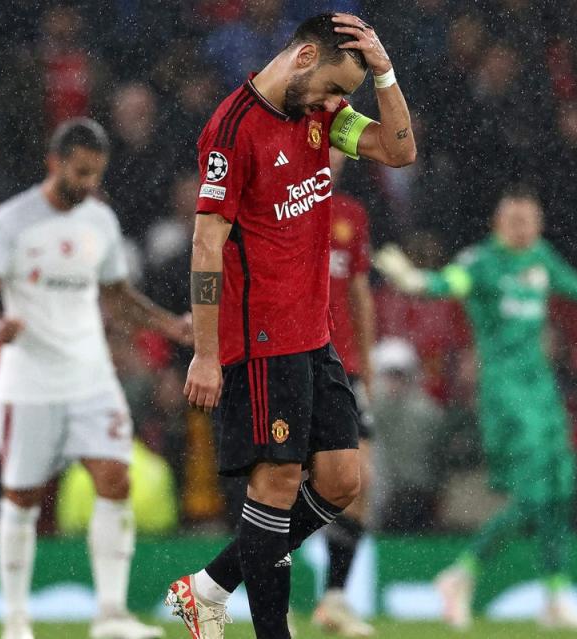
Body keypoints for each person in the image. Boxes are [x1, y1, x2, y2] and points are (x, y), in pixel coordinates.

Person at [164, 13, 415, 639]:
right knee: (275, 482)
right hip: (261, 338)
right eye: (334, 87)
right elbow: (205, 243)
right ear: (303, 57)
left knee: (341, 481)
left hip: (316, 335)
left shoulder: (322, 116)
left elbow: (400, 149)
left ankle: (209, 588)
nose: (336, 105)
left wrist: (383, 72)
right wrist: (205, 349)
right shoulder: (231, 130)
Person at [373, 185, 577, 632]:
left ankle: (554, 597)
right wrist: (417, 282)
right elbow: (451, 283)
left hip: (541, 389)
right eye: (514, 221)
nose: (523, 229)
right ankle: (462, 571)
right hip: (504, 394)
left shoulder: (540, 258)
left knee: (562, 487)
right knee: (534, 495)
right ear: (498, 224)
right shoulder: (482, 262)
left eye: (530, 221)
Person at [0, 117, 190, 639]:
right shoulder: (11, 219)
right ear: (54, 162)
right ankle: (16, 619)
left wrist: (169, 325)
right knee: (21, 495)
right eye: (80, 173)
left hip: (91, 375)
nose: (88, 184)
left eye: (96, 175)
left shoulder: (100, 221)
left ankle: (110, 615)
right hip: (29, 381)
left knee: (116, 480)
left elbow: (116, 295)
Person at [310, 147, 376, 636]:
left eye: (339, 146)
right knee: (283, 480)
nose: (334, 154)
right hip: (296, 362)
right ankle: (246, 582)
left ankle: (334, 597)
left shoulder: (352, 214)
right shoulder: (279, 205)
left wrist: (368, 364)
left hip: (346, 368)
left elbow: (358, 291)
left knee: (360, 483)